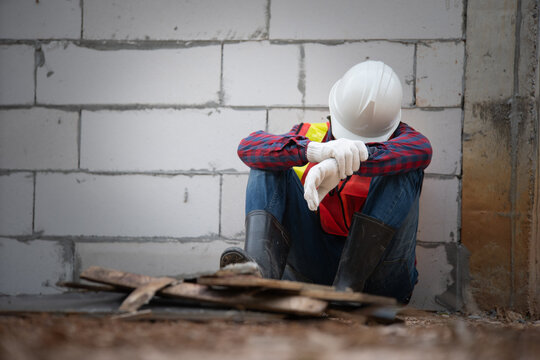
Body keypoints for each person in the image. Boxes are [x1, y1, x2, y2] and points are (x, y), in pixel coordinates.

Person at [219, 60, 432, 304]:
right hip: (314, 268)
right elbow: (249, 146)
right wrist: (315, 152)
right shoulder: (311, 135)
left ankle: (348, 289)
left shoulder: (405, 143)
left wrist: (347, 162)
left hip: (379, 280)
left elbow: (422, 151)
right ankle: (257, 276)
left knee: (405, 168)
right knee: (268, 162)